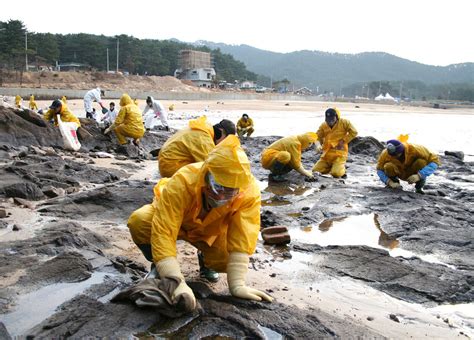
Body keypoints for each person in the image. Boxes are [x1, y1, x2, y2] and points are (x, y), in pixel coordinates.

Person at [127, 135, 272, 311]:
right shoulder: (183, 181)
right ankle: (159, 266)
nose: (222, 197)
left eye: (230, 192)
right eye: (218, 187)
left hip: (209, 230)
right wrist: (175, 280)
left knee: (226, 261)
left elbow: (243, 236)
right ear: (206, 175)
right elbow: (164, 232)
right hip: (172, 220)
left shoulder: (249, 192)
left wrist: (237, 284)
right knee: (140, 221)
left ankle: (205, 259)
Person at [158, 116, 236, 179]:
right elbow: (211, 165)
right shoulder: (204, 139)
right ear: (221, 132)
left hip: (168, 162)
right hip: (172, 169)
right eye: (225, 140)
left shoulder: (202, 129)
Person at [376, 138, 440, 194]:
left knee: (421, 162)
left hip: (414, 172)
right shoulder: (385, 153)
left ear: (402, 150)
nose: (395, 156)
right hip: (399, 172)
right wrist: (389, 182)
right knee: (388, 166)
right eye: (393, 155)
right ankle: (395, 184)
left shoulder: (416, 149)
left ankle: (419, 188)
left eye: (397, 154)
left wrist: (419, 175)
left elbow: (435, 161)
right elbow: (379, 169)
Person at [312, 108, 358, 178]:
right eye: (328, 119)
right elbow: (317, 137)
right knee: (315, 170)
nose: (330, 121)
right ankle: (334, 167)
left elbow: (354, 132)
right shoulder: (323, 125)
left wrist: (343, 141)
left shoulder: (344, 122)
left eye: (332, 118)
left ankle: (341, 169)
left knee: (336, 174)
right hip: (326, 155)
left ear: (336, 117)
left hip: (339, 154)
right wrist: (318, 145)